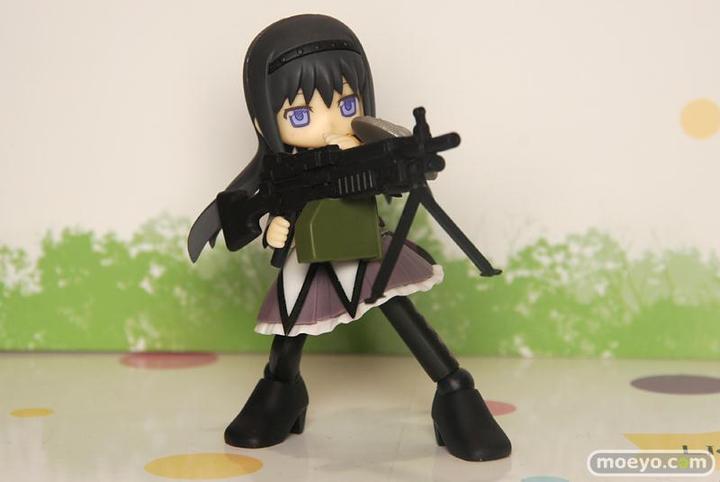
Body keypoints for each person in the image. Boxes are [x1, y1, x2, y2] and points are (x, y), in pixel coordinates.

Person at [191, 14, 511, 462]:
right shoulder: (286, 170)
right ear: (264, 122)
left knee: (398, 310)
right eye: (300, 114)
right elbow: (271, 206)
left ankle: (454, 390)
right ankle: (280, 389)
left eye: (345, 105)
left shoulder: (361, 151)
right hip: (308, 256)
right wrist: (275, 228)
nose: (329, 124)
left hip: (363, 246)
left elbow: (386, 172)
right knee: (292, 326)